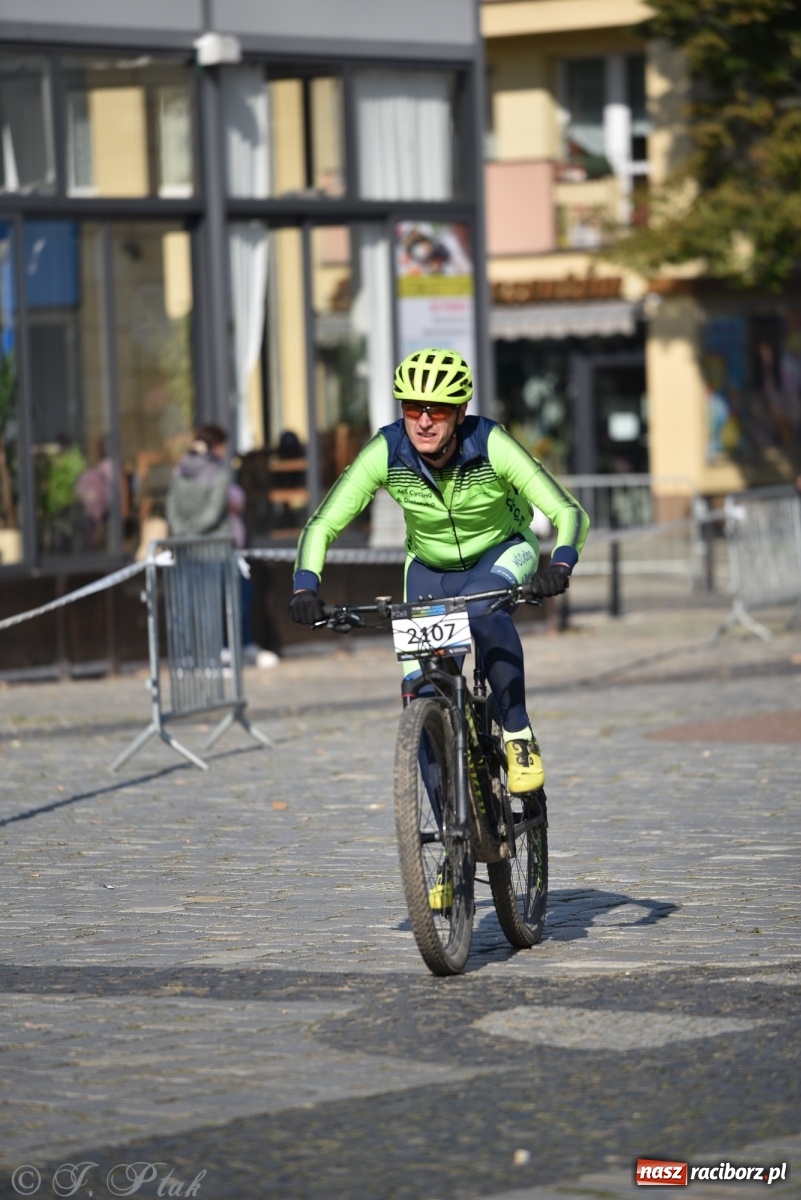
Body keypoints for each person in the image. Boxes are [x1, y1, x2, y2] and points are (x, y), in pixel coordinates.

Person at [288, 347, 589, 795]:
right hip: (429, 568)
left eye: (438, 410)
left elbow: (569, 512)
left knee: (486, 611)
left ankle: (517, 732)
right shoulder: (387, 451)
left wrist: (560, 564)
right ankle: (450, 842)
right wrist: (304, 587)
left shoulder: (490, 443)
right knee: (421, 693)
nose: (424, 421)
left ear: (460, 411)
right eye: (412, 408)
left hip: (501, 551)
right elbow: (322, 525)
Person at [166, 423, 231, 538]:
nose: (224, 451)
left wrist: (181, 530)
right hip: (213, 543)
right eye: (222, 445)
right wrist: (191, 531)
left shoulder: (179, 470)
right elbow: (213, 514)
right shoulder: (218, 474)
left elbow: (171, 506)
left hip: (183, 544)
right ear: (215, 446)